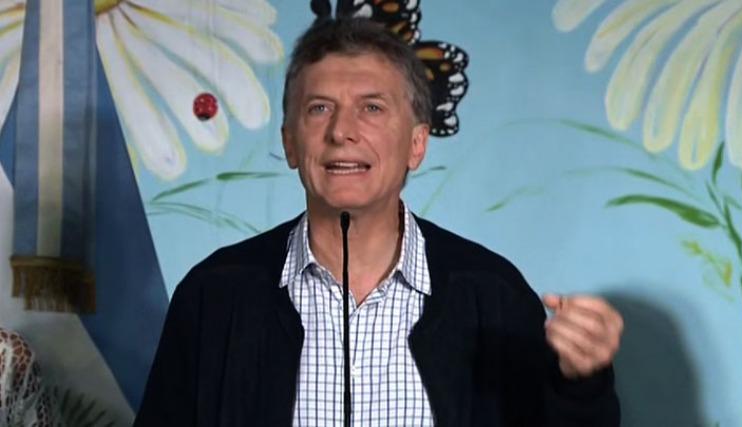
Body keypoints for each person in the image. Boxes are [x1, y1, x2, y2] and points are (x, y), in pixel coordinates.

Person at [135, 18, 623, 426]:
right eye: (319, 108)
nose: (342, 132)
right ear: (289, 143)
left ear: (417, 144)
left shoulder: (493, 295)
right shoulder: (214, 295)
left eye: (371, 108)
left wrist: (580, 385)